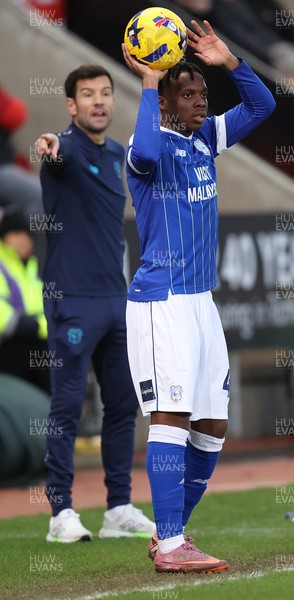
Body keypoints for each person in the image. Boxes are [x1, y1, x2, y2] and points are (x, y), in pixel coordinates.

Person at [122, 19, 275, 573]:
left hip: (201, 301)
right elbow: (140, 147)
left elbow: (262, 110)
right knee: (172, 414)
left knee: (212, 424)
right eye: (186, 94)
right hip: (162, 299)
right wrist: (144, 82)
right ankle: (168, 544)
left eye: (202, 94)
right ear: (164, 100)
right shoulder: (151, 147)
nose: (200, 103)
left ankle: (172, 532)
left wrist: (229, 61)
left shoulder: (204, 141)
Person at [34, 65, 155, 543]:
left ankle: (118, 508)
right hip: (73, 300)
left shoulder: (118, 153)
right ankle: (60, 513)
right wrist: (50, 145)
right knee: (66, 407)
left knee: (123, 406)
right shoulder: (63, 148)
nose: (99, 101)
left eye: (105, 93)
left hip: (116, 298)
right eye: (88, 95)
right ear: (71, 105)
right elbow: (55, 151)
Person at [0, 199, 49, 394]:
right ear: (4, 237)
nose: (23, 240)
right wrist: (38, 325)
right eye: (16, 234)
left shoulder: (34, 271)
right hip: (8, 349)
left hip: (36, 346)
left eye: (27, 235)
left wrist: (40, 325)